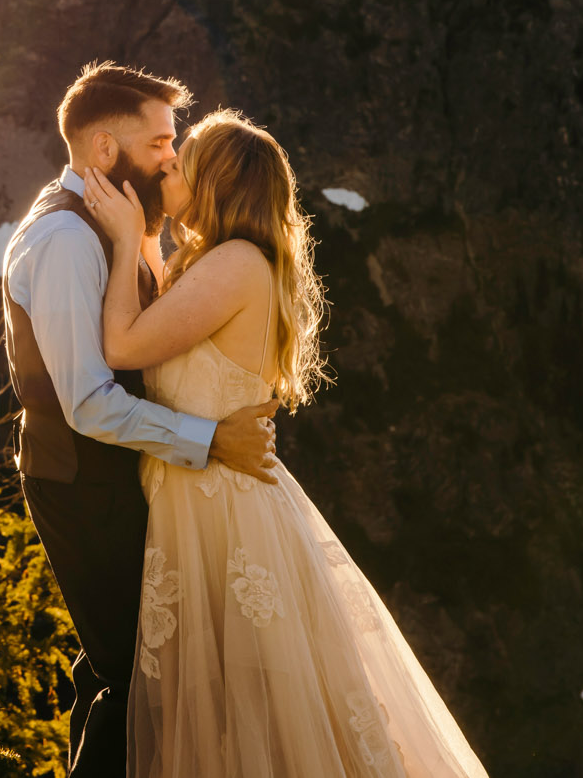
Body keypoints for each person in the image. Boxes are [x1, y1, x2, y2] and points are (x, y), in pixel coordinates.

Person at [83, 108, 493, 777]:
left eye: (184, 161)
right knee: (227, 724)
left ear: (214, 182)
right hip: (202, 504)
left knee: (256, 721)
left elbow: (123, 343)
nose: (169, 167)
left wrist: (130, 237)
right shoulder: (221, 262)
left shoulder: (237, 263)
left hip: (224, 516)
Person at [2, 62, 284, 778]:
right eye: (161, 143)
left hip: (122, 480)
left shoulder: (115, 227)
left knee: (110, 661)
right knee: (138, 680)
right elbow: (90, 401)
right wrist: (212, 440)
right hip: (84, 482)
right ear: (104, 150)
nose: (171, 159)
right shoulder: (66, 242)